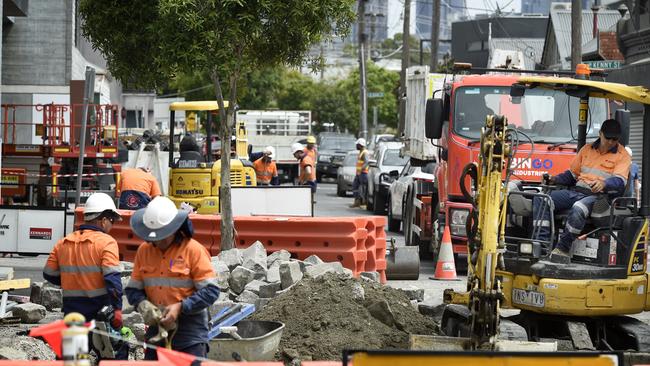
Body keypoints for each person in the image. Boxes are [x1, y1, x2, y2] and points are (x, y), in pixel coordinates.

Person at [126, 196, 220, 360]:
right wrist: (143, 305)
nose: (157, 241)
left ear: (174, 229)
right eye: (153, 237)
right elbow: (133, 290)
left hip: (190, 332)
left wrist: (180, 307)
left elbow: (211, 291)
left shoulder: (193, 250)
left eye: (162, 236)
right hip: (157, 329)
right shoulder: (144, 251)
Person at [532, 119, 631, 260]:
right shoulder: (586, 150)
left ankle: (562, 249)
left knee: (578, 208)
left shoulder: (623, 155)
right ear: (600, 134)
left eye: (614, 139)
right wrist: (555, 179)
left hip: (599, 198)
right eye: (608, 138)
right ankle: (541, 245)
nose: (611, 142)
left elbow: (619, 181)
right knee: (542, 199)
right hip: (576, 191)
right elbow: (572, 175)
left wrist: (604, 184)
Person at [43, 192, 127, 359]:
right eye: (111, 221)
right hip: (100, 313)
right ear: (103, 219)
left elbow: (49, 273)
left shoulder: (64, 242)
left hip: (72, 312)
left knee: (71, 358)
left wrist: (71, 281)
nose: (112, 226)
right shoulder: (106, 242)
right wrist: (117, 309)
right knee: (116, 353)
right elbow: (112, 281)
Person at [350, 138, 369, 208]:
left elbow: (367, 162)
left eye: (357, 145)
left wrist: (362, 169)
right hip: (359, 173)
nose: (356, 146)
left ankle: (364, 203)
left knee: (363, 189)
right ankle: (357, 202)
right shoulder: (361, 152)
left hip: (363, 173)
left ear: (360, 145)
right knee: (355, 187)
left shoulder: (365, 152)